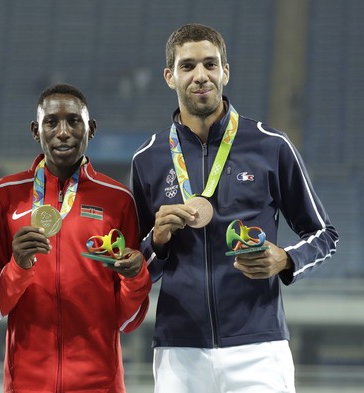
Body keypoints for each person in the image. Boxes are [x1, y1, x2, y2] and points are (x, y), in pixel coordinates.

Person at [130, 23, 339, 393]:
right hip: (180, 350)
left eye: (210, 64)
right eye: (187, 66)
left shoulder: (270, 145)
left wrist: (286, 260)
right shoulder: (148, 159)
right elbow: (136, 268)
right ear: (169, 76)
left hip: (259, 347)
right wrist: (157, 240)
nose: (200, 76)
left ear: (226, 71)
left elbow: (325, 234)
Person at [0, 83, 152, 392]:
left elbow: (128, 321)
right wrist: (18, 267)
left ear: (92, 129)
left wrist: (135, 276)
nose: (63, 132)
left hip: (99, 384)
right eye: (52, 122)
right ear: (36, 131)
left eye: (74, 121)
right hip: (26, 384)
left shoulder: (119, 200)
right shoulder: (6, 196)